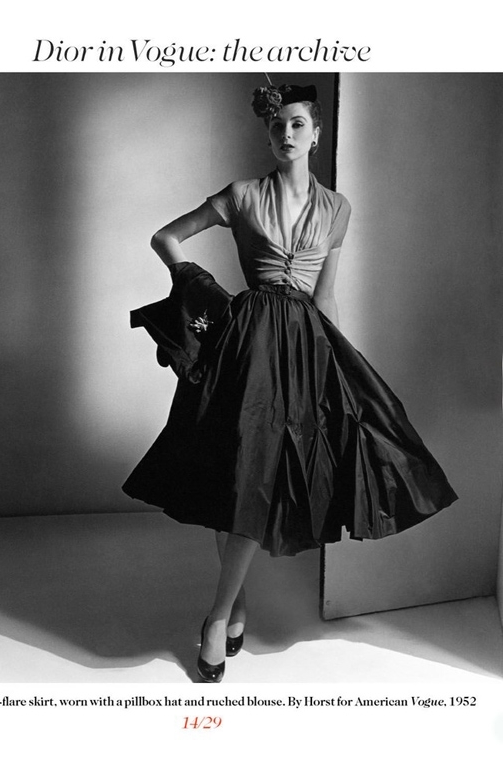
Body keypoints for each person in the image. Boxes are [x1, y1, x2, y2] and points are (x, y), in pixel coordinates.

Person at [123, 82, 457, 683]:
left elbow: (325, 295)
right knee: (236, 470)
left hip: (302, 347)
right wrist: (202, 291)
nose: (286, 134)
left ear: (316, 134)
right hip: (245, 345)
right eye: (277, 125)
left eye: (298, 124)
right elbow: (164, 238)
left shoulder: (338, 208)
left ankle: (224, 611)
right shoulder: (242, 195)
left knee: (263, 473)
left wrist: (339, 364)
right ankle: (226, 611)